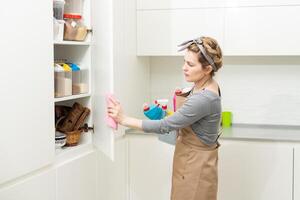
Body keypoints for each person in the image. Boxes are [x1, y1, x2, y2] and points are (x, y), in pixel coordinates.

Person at [107, 36, 223, 200]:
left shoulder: (204, 98)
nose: (184, 68)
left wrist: (123, 119)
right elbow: (188, 120)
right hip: (190, 161)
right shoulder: (205, 85)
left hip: (195, 166)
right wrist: (165, 113)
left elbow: (165, 126)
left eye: (190, 64)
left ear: (207, 69)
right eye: (184, 62)